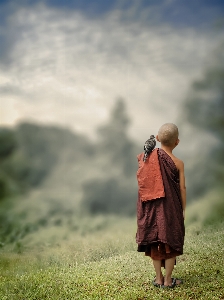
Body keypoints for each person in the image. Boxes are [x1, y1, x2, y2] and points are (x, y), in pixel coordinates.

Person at [136, 123, 186, 288]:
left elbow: (144, 182)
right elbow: (182, 188)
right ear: (177, 142)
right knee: (171, 242)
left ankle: (158, 278)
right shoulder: (178, 163)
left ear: (157, 139)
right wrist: (182, 209)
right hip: (171, 209)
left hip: (151, 208)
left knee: (155, 242)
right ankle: (168, 280)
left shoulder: (149, 158)